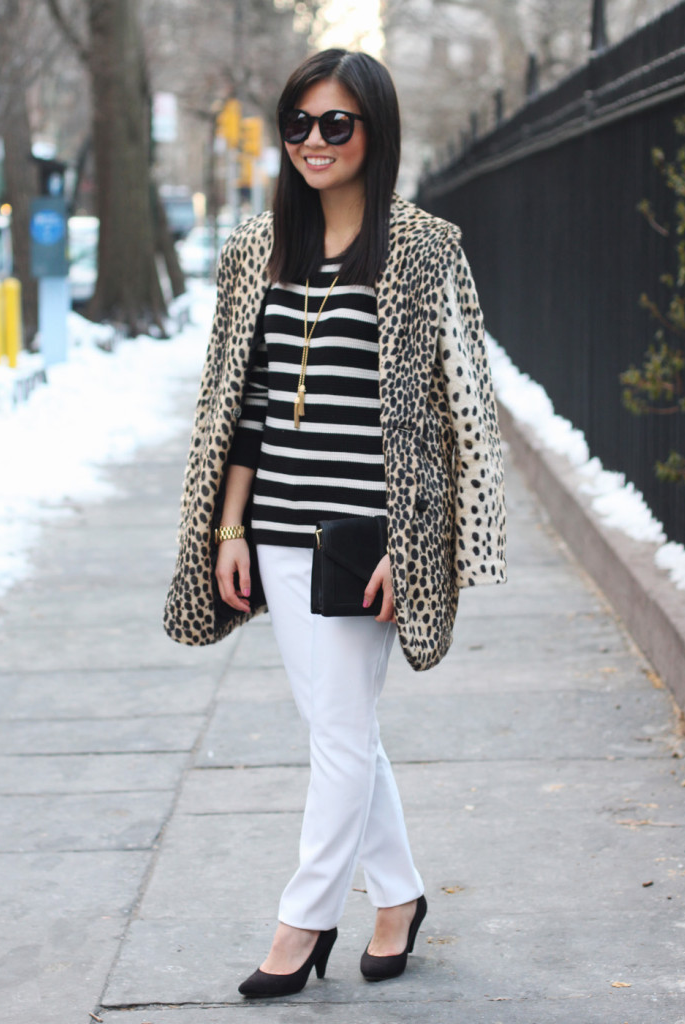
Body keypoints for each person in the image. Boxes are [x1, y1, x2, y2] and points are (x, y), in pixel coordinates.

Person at [164, 48, 507, 998]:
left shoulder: (422, 248)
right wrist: (229, 532)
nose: (314, 141)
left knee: (339, 733)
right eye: (299, 124)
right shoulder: (254, 251)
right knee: (337, 726)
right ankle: (396, 896)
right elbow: (246, 408)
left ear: (374, 132)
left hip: (364, 537)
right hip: (273, 529)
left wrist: (416, 540)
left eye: (336, 124)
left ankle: (302, 919)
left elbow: (460, 410)